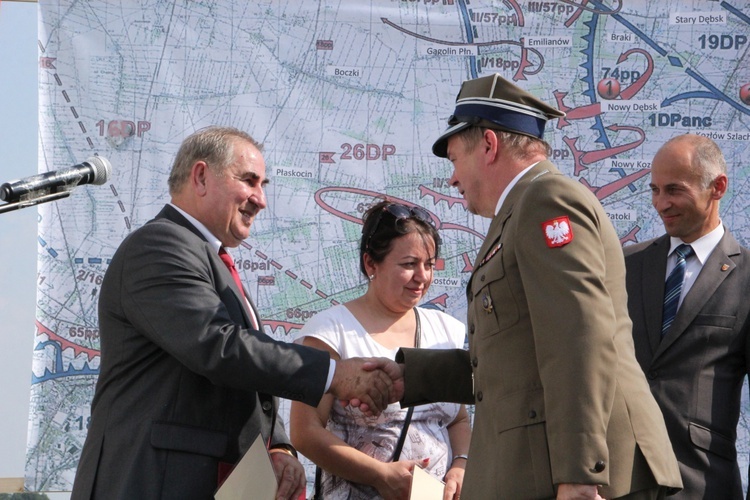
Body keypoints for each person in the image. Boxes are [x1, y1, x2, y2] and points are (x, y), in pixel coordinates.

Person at [384, 74, 683, 499]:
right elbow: (516, 360)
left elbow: (579, 336)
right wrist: (409, 377)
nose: (452, 179)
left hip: (582, 478)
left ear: (488, 145)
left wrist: (579, 475)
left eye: (453, 160)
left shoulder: (546, 200)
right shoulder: (520, 210)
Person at [70, 126, 401, 500]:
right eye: (249, 181)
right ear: (200, 177)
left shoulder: (209, 258)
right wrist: (333, 372)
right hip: (152, 482)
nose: (260, 199)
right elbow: (219, 347)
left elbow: (243, 373)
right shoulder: (159, 246)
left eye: (264, 185)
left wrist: (277, 447)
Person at [290, 200, 472, 500]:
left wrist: (461, 465)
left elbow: (458, 420)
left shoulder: (446, 329)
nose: (422, 277)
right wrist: (380, 475)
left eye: (429, 264)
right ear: (370, 264)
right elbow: (305, 432)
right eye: (409, 264)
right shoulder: (329, 331)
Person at [623, 134, 750, 499]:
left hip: (703, 485)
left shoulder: (747, 278)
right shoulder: (626, 266)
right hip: (623, 482)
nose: (661, 204)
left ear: (718, 187)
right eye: (654, 190)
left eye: (674, 190)